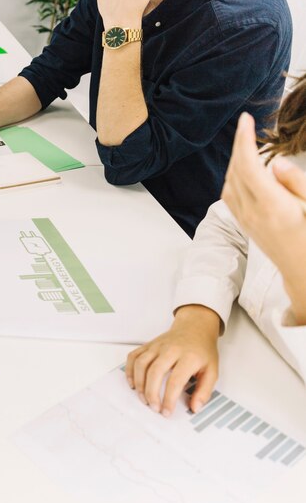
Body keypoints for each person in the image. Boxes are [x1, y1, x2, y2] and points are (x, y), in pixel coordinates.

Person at [0, 0, 292, 237]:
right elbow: (51, 71)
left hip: (183, 227)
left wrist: (122, 21)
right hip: (105, 192)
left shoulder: (247, 23)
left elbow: (128, 159)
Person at [126, 72, 306, 418]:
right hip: (237, 371)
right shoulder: (297, 130)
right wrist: (198, 318)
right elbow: (229, 228)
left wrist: (298, 270)